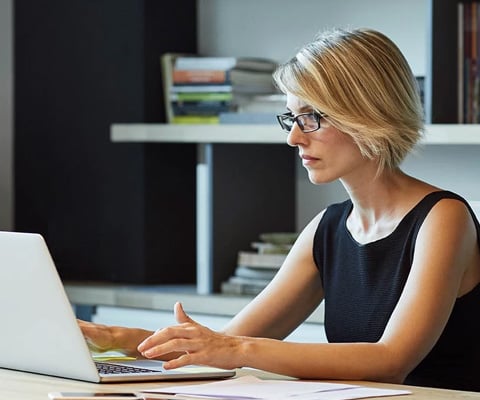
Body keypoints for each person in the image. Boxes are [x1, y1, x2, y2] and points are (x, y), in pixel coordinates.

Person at [79, 28, 480, 391]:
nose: (292, 137)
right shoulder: (328, 228)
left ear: (367, 113)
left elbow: (391, 361)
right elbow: (224, 344)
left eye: (310, 118)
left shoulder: (443, 218)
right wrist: (118, 339)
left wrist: (236, 348)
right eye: (292, 117)